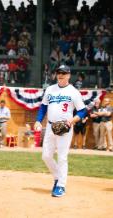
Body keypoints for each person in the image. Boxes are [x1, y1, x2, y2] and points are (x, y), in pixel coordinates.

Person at [34, 65, 86, 197]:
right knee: (46, 156)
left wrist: (71, 121)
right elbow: (43, 107)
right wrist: (38, 120)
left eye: (64, 73)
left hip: (65, 128)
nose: (61, 75)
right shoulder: (50, 89)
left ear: (69, 75)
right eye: (59, 72)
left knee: (62, 157)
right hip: (51, 127)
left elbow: (82, 111)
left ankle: (61, 186)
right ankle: (58, 177)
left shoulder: (73, 91)